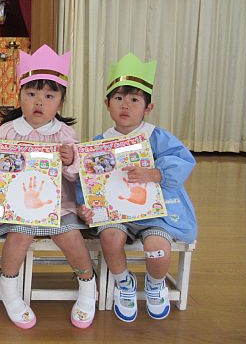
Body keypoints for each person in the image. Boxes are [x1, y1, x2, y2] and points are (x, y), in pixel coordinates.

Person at [0, 44, 97, 329]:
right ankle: (7, 284)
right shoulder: (5, 132)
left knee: (71, 235)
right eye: (31, 94)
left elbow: (79, 177)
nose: (39, 102)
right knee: (20, 234)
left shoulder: (65, 134)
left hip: (57, 206)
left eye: (49, 96)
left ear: (61, 102)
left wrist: (71, 161)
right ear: (19, 96)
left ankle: (87, 282)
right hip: (14, 207)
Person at [78, 52, 197, 322]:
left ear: (148, 107)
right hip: (116, 214)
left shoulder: (156, 136)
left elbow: (182, 160)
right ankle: (124, 283)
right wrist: (86, 204)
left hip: (155, 215)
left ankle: (155, 284)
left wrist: (156, 173)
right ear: (107, 103)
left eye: (134, 100)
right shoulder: (99, 142)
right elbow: (87, 180)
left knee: (157, 248)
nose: (126, 106)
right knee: (109, 239)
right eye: (119, 98)